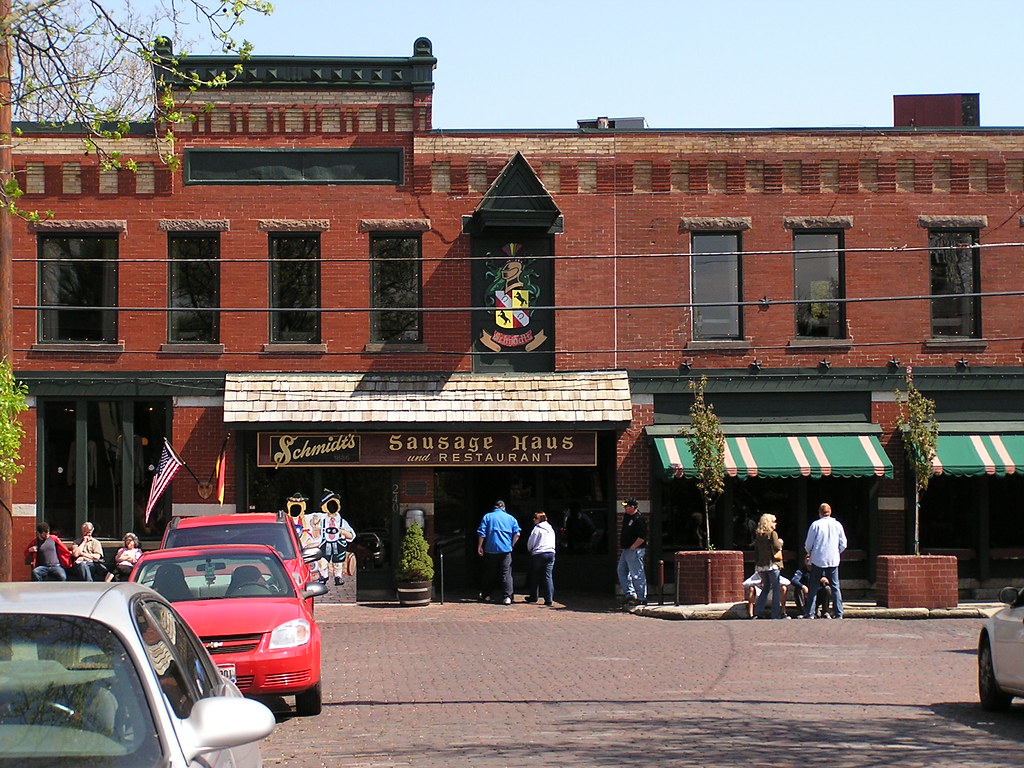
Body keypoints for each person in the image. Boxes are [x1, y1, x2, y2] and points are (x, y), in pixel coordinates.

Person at [803, 502, 848, 619]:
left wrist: (811, 553)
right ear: (830, 512)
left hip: (818, 559)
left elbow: (808, 544)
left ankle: (810, 613)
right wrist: (837, 552)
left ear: (820, 513)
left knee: (813, 587)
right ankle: (839, 613)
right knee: (835, 587)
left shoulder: (815, 525)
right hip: (833, 559)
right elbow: (843, 544)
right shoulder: (837, 525)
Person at [477, 499, 521, 605]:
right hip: (506, 549)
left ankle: (487, 595)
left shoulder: (487, 517)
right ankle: (507, 597)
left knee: (489, 573)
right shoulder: (511, 518)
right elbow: (517, 533)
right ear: (504, 508)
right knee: (506, 573)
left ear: (495, 507)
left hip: (490, 549)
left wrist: (480, 546)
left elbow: (482, 532)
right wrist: (512, 545)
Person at [752, 513, 786, 619]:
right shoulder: (772, 534)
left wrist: (757, 565)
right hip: (772, 565)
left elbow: (756, 552)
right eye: (773, 521)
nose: (775, 523)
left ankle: (758, 612)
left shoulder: (759, 536)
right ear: (769, 523)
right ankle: (775, 614)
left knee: (765, 588)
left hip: (762, 566)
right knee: (776, 589)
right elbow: (776, 546)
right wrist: (780, 542)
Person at [617, 498, 648, 607]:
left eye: (627, 506)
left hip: (635, 550)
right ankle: (630, 594)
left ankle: (641, 597)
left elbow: (642, 537)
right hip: (626, 550)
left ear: (633, 507)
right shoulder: (627, 517)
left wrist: (634, 547)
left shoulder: (639, 519)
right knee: (621, 570)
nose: (625, 508)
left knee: (637, 573)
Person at [525, 511, 556, 606]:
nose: (533, 520)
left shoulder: (537, 529)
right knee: (548, 576)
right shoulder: (550, 529)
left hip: (539, 553)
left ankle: (534, 596)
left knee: (535, 575)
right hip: (550, 552)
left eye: (535, 518)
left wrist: (530, 549)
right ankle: (549, 598)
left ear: (540, 519)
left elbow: (531, 542)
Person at [791, 553, 833, 618]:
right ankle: (803, 612)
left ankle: (825, 612)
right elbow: (794, 580)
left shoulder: (820, 571)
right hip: (805, 597)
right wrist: (803, 586)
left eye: (810, 557)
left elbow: (830, 581)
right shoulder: (801, 571)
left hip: (816, 597)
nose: (808, 559)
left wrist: (824, 579)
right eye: (807, 557)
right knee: (798, 589)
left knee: (827, 589)